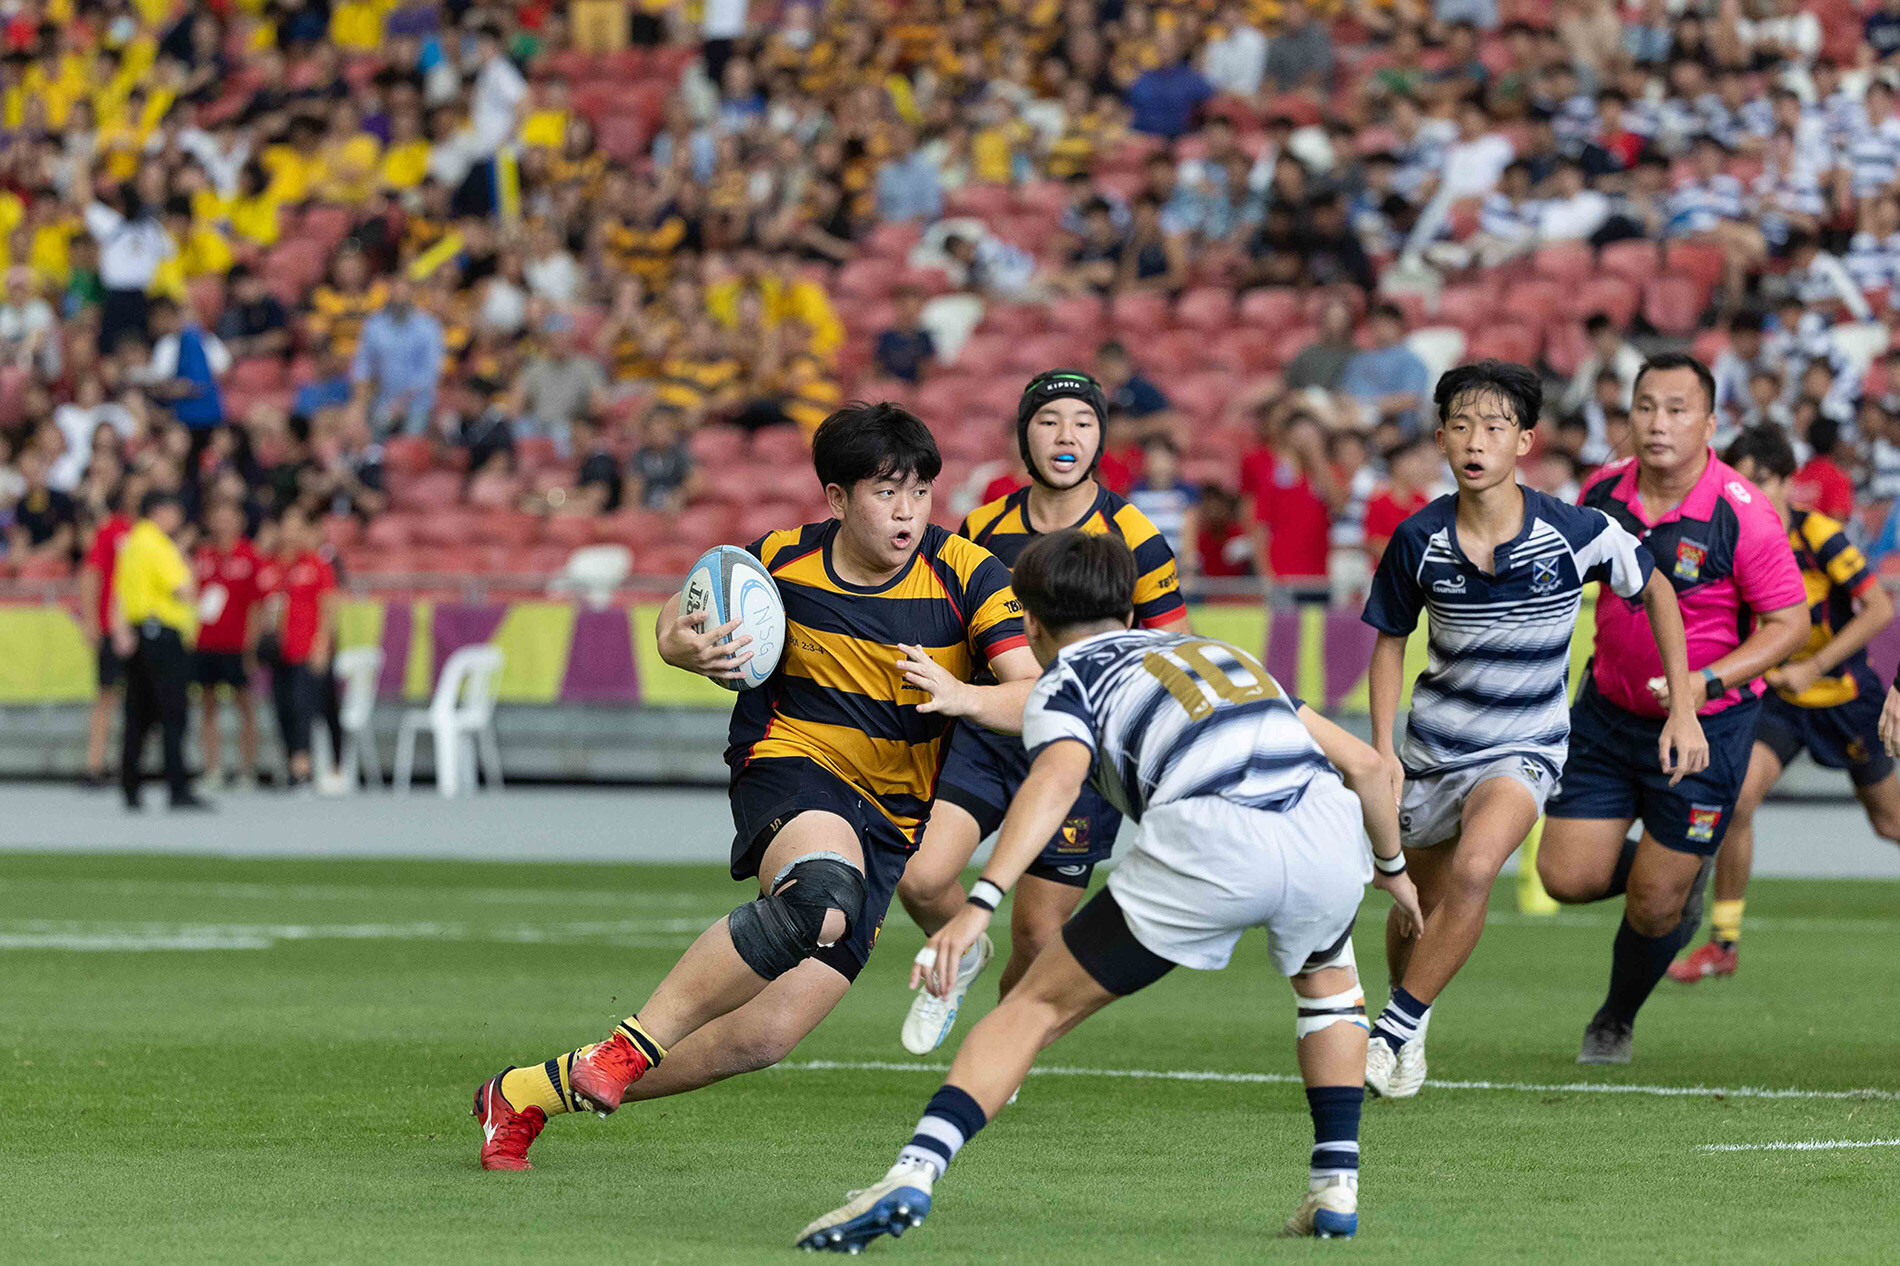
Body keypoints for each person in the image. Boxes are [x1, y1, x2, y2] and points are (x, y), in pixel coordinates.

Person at [795, 531, 1421, 1252]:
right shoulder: (1222, 654)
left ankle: (912, 1173)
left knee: (1031, 1006)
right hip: (1322, 825)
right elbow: (1371, 767)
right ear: (1129, 609)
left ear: (1030, 623)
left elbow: (1056, 778)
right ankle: (1335, 1189)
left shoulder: (1063, 681)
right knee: (1330, 986)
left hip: (1212, 834)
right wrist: (1393, 869)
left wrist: (981, 902)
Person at [471, 403, 1042, 1171]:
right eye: (885, 493)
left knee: (761, 1037)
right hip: (789, 766)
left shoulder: (969, 575)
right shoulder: (781, 559)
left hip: (892, 821)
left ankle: (525, 1093)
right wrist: (676, 640)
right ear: (836, 500)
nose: (907, 511)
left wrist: (966, 695)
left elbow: (1037, 696)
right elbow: (687, 606)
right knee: (819, 898)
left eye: (919, 492)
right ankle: (628, 1043)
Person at [1359, 361, 1705, 1099]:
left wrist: (1682, 704)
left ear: (1524, 441)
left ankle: (1390, 1029)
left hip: (1524, 748)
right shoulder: (1417, 539)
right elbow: (1389, 641)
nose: (1474, 441)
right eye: (1459, 426)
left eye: (1493, 427)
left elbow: (1660, 592)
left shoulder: (1579, 532)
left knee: (1477, 870)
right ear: (1443, 440)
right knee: (1416, 906)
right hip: (1431, 749)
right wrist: (1384, 749)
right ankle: (1412, 1018)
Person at [895, 371, 1188, 1058]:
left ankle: (1002, 1049)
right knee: (922, 876)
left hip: (1081, 757)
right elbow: (956, 626)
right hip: (991, 735)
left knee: (1037, 936)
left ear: (1101, 439)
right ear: (1024, 435)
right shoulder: (983, 526)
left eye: (1082, 422)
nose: (1065, 435)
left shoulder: (1134, 533)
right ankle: (963, 956)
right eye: (1049, 420)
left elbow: (1172, 651)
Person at [1534, 354, 1809, 1064]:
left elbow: (1789, 625)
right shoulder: (1599, 492)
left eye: (1678, 409)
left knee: (1653, 905)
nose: (1659, 424)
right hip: (1606, 711)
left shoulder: (1741, 514)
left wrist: (1704, 685)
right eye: (1646, 407)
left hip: (1707, 727)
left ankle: (1615, 1017)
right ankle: (1676, 877)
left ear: (1711, 423)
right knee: (1564, 877)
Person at [1672, 427, 1900, 982]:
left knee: (1890, 822)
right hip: (1779, 699)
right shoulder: (1732, 542)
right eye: (1739, 482)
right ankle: (1723, 944)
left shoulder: (1820, 534)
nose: (1749, 493)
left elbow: (1876, 611)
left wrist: (1814, 667)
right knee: (1740, 799)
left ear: (1789, 484)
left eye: (1762, 481)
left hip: (1843, 696)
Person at [112, 491, 209, 812]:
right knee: (172, 714)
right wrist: (182, 555)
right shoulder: (158, 544)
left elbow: (120, 593)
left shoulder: (132, 543)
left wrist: (122, 629)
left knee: (138, 713)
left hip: (140, 633)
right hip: (163, 636)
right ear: (161, 511)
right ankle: (177, 788)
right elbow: (185, 588)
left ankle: (130, 786)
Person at [263, 509, 338, 790]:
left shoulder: (316, 564)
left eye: (297, 527)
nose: (291, 533)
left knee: (302, 707)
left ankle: (302, 767)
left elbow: (329, 605)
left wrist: (321, 644)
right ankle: (289, 762)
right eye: (286, 526)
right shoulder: (270, 566)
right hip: (279, 651)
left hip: (306, 649)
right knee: (282, 707)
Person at [193, 498, 265, 789]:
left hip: (237, 646)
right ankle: (213, 769)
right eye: (218, 516)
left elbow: (257, 606)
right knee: (207, 706)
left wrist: (250, 647)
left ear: (239, 522)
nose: (223, 523)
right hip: (206, 643)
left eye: (228, 517)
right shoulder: (202, 556)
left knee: (245, 707)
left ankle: (247, 769)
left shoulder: (250, 557)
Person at [78, 483, 138, 787]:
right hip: (111, 627)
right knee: (105, 696)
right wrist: (90, 621)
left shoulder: (156, 535)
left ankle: (129, 765)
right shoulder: (112, 530)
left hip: (146, 628)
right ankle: (96, 764)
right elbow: (91, 574)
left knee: (141, 700)